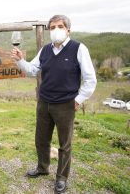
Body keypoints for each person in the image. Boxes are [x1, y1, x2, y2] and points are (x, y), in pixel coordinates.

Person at [11, 15, 97, 193]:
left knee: (65, 144)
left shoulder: (79, 49)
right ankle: (42, 168)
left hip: (66, 104)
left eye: (60, 26)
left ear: (68, 30)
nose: (56, 30)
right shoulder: (45, 50)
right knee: (41, 139)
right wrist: (20, 60)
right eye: (52, 27)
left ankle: (61, 178)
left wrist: (78, 99)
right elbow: (33, 70)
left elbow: (90, 80)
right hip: (44, 102)